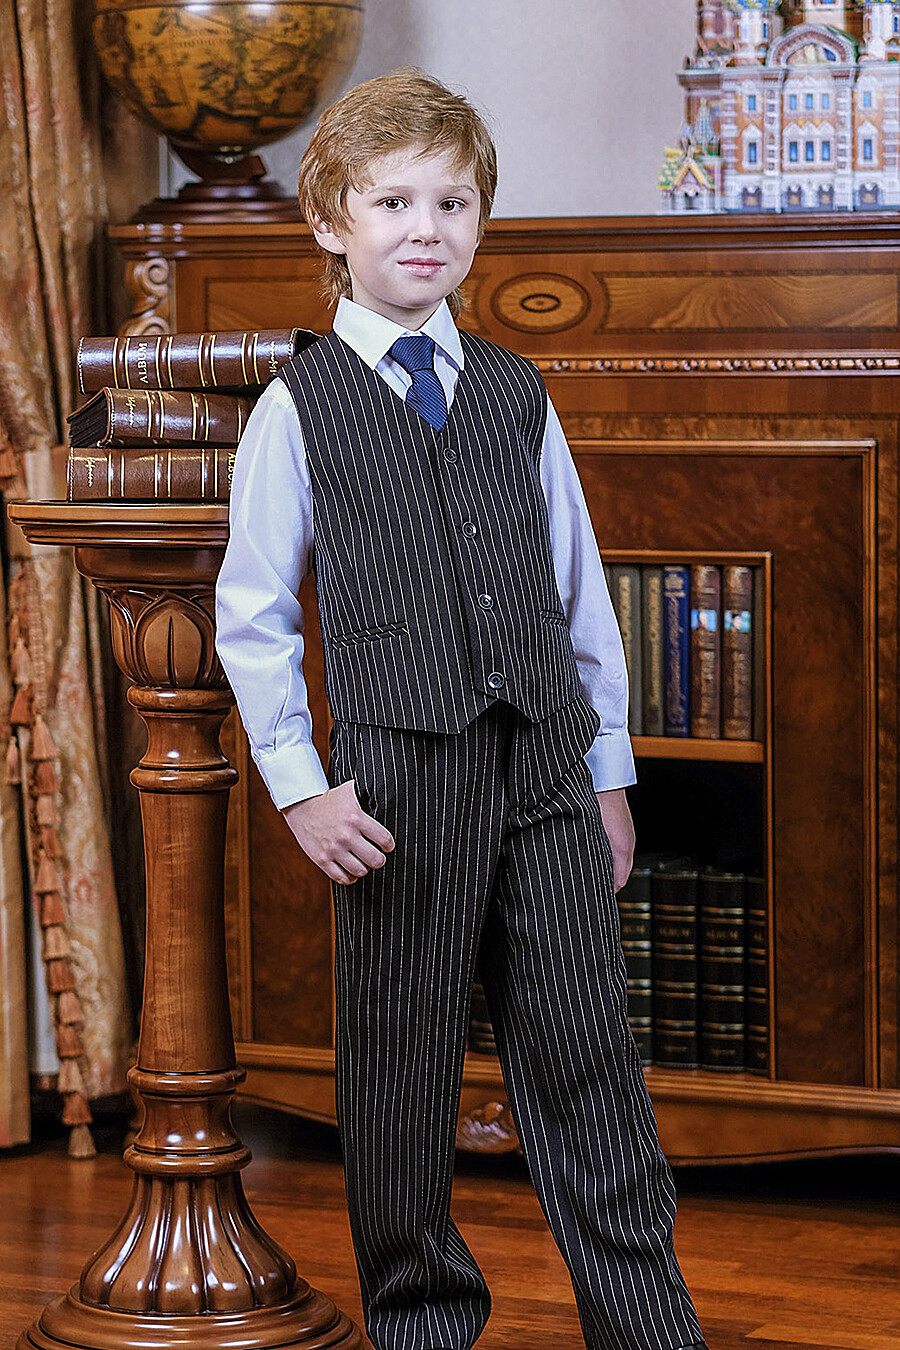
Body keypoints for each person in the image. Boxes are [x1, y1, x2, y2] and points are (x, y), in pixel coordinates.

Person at [215, 67, 707, 1350]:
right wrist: (301, 788)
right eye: (393, 202)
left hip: (544, 772)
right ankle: (424, 1322)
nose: (425, 228)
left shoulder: (513, 392)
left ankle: (648, 1328)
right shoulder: (297, 408)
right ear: (331, 222)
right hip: (396, 784)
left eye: (453, 202)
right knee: (400, 1069)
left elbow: (578, 596)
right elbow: (253, 615)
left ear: (482, 222)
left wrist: (608, 774)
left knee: (589, 1059)